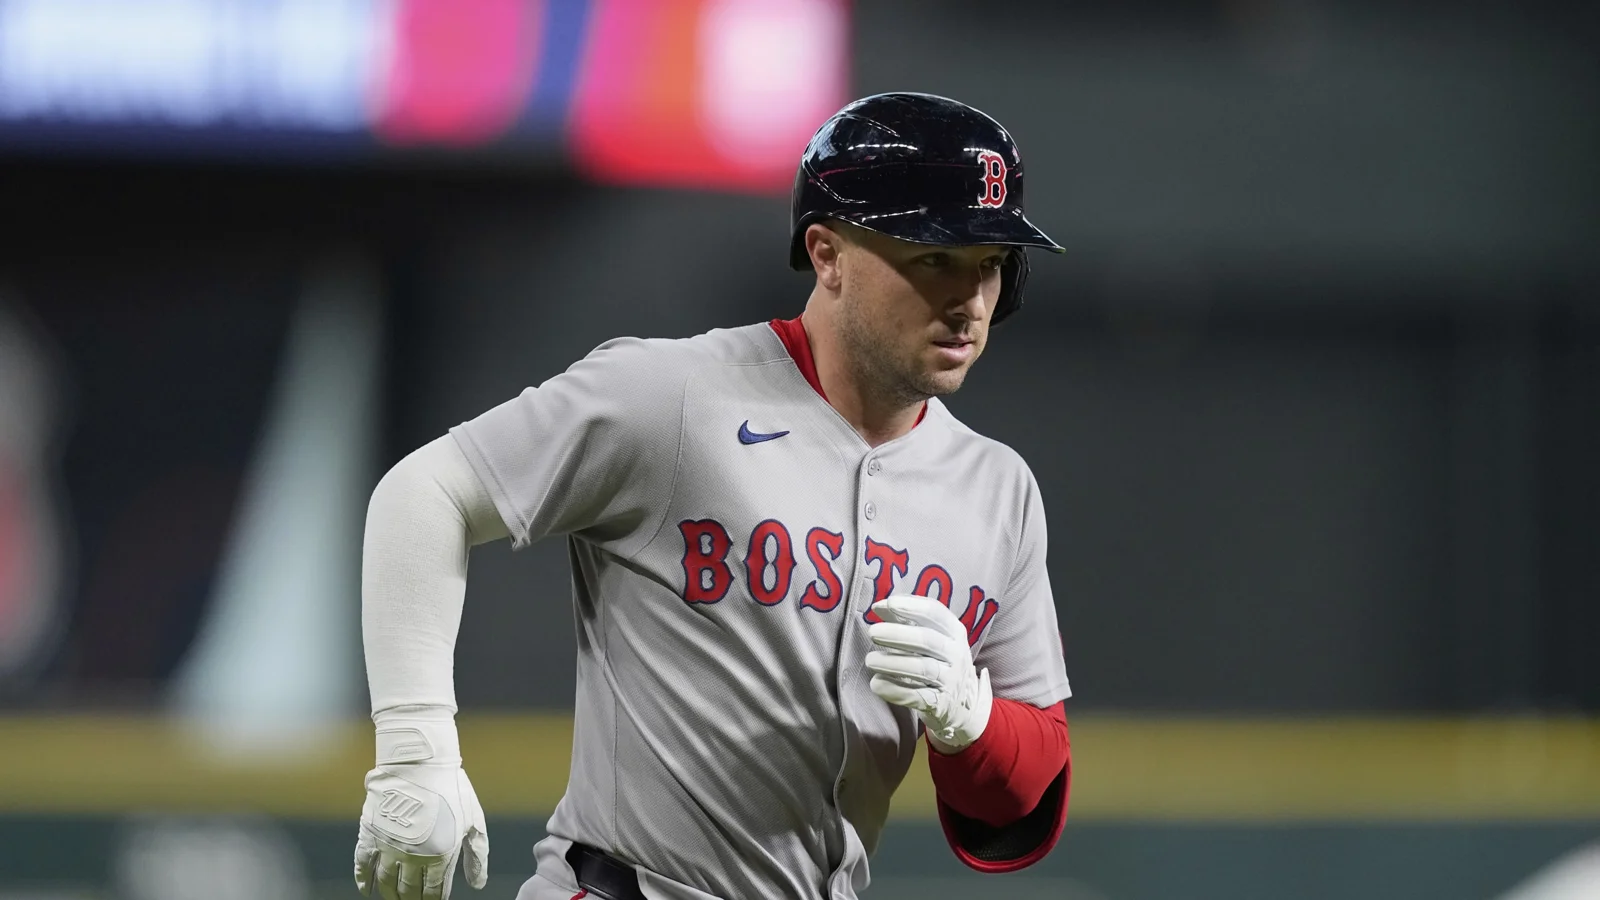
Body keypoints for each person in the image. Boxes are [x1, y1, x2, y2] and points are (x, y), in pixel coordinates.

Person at [353, 92, 1074, 900]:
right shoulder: (676, 394)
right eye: (935, 257)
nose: (970, 301)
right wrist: (415, 749)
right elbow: (427, 491)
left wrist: (972, 724)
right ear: (828, 256)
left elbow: (1025, 794)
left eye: (990, 263)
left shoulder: (999, 490)